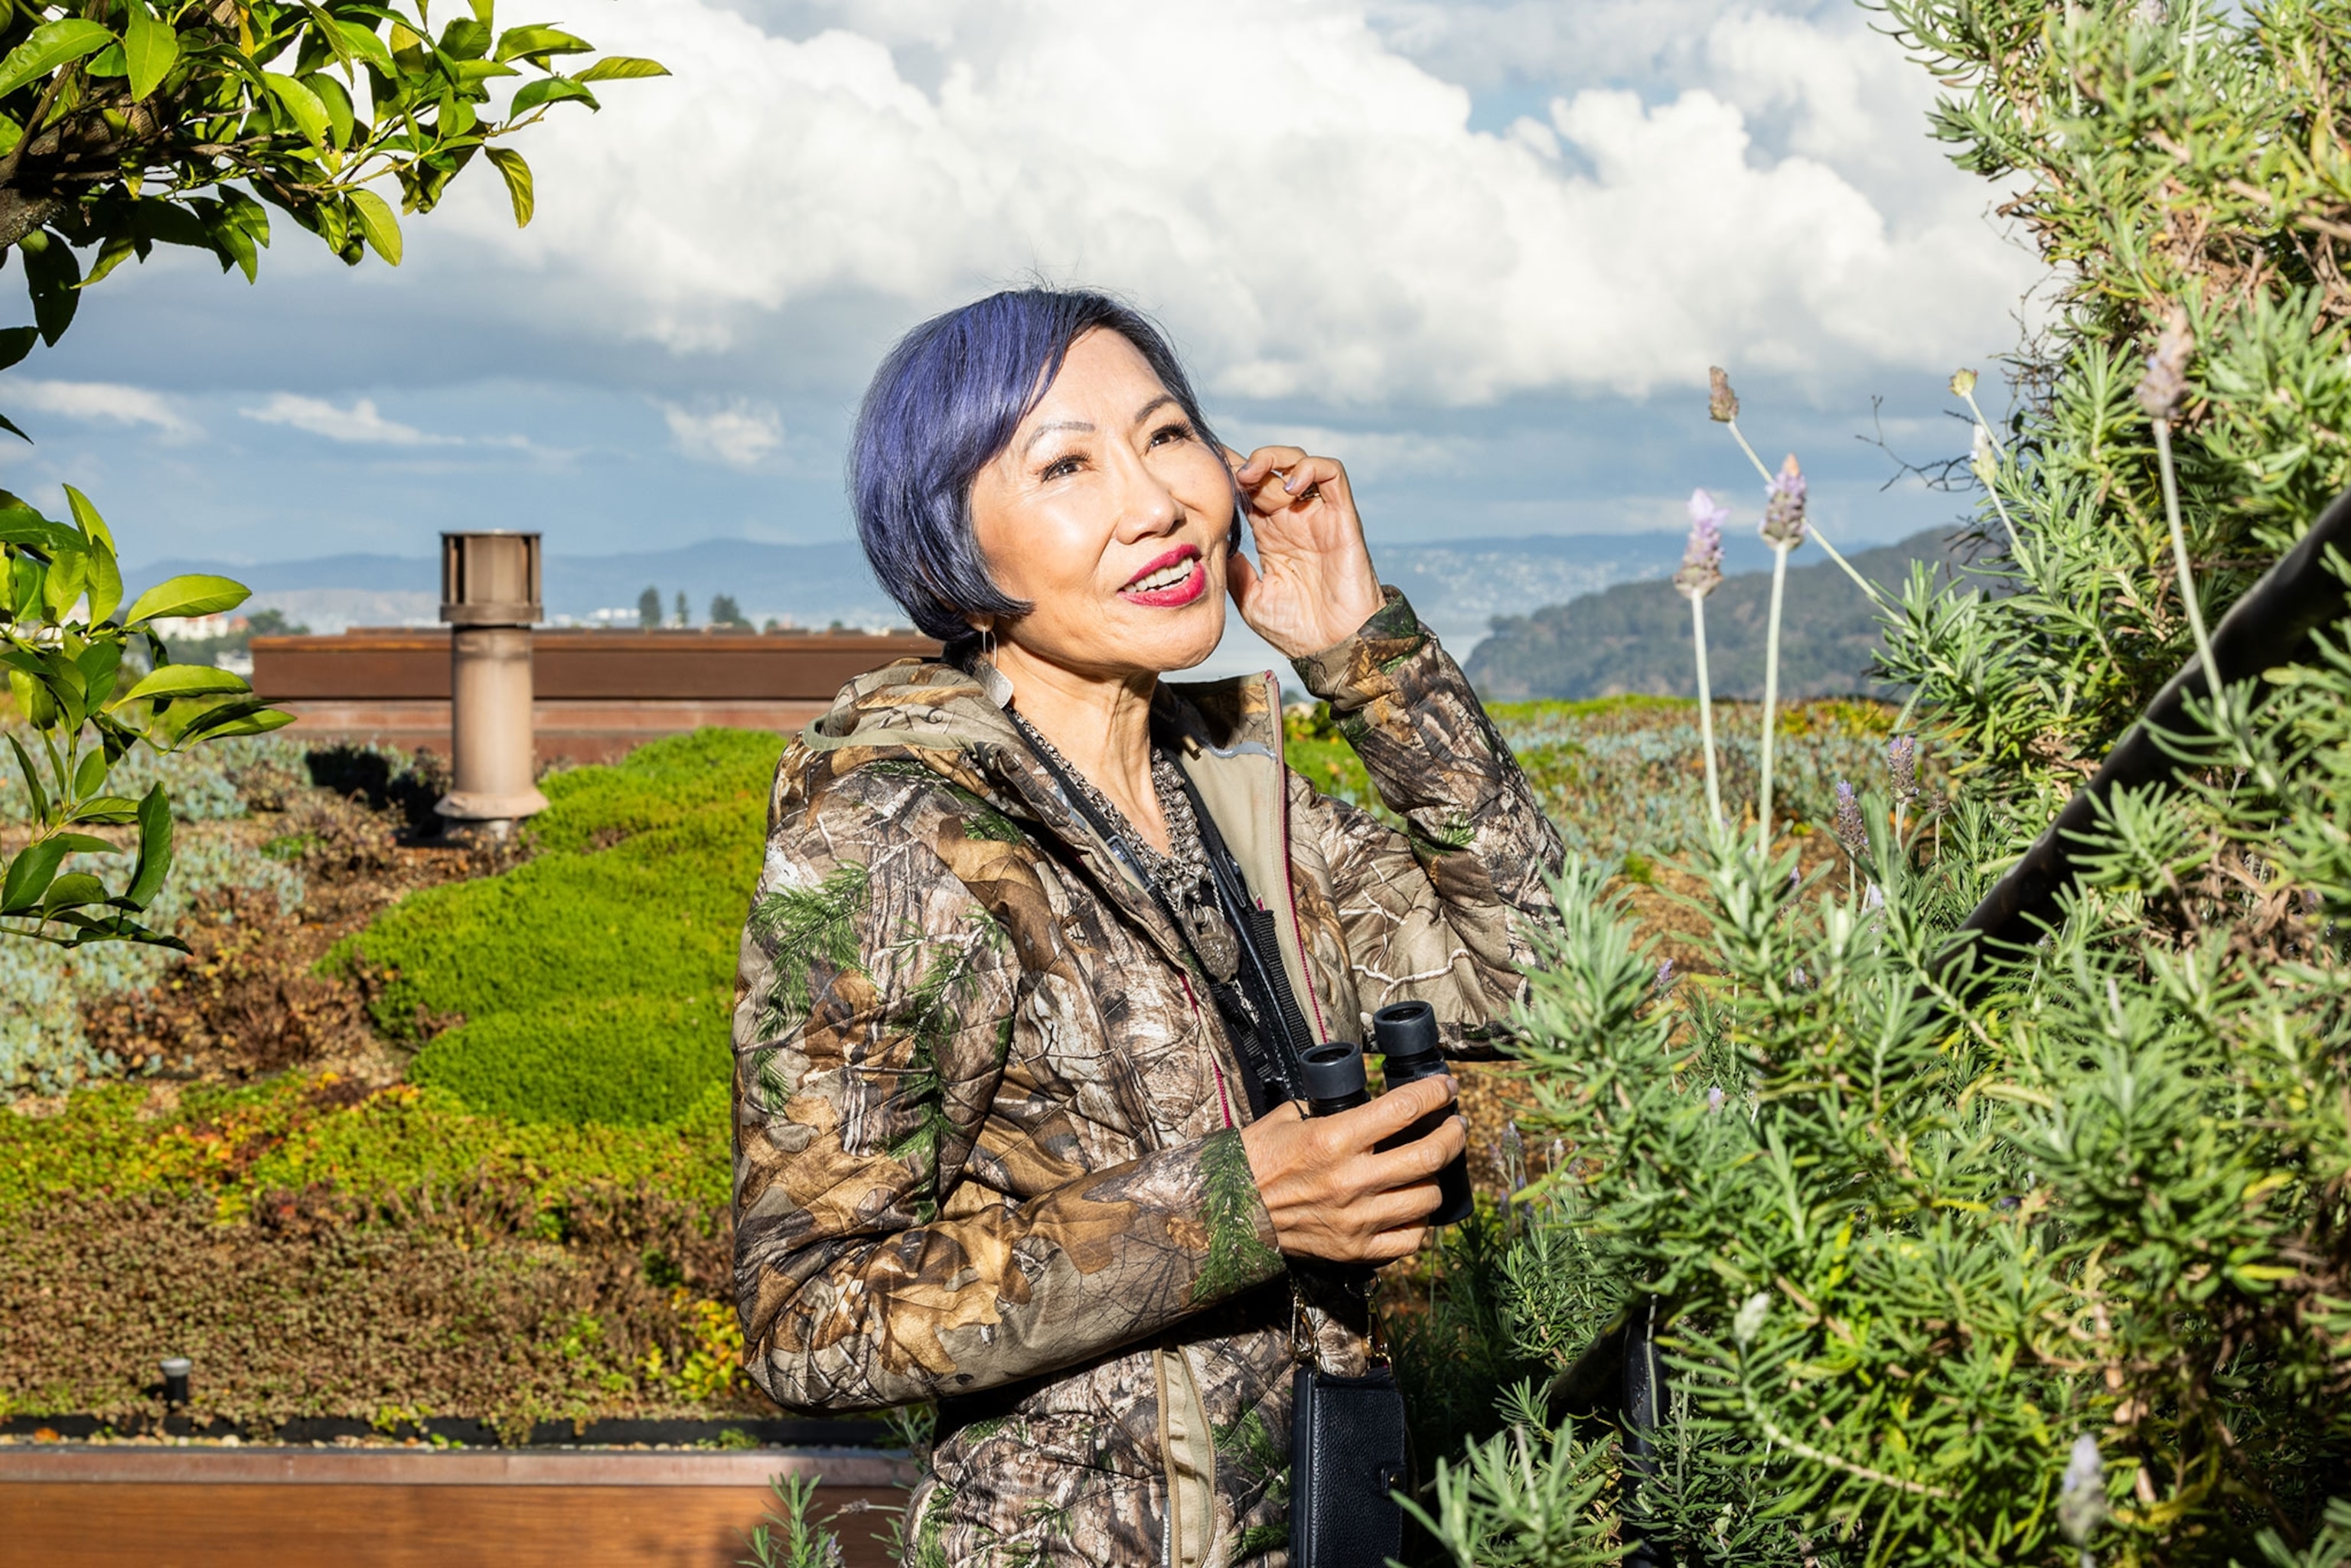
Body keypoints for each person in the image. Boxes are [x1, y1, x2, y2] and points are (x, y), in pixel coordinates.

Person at [731, 288, 1565, 1566]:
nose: (1154, 501)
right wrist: (1239, 1204)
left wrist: (1365, 656)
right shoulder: (899, 838)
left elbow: (1545, 974)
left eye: (1169, 436)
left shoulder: (1239, 798)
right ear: (954, 551)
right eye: (1066, 463)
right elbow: (807, 1310)